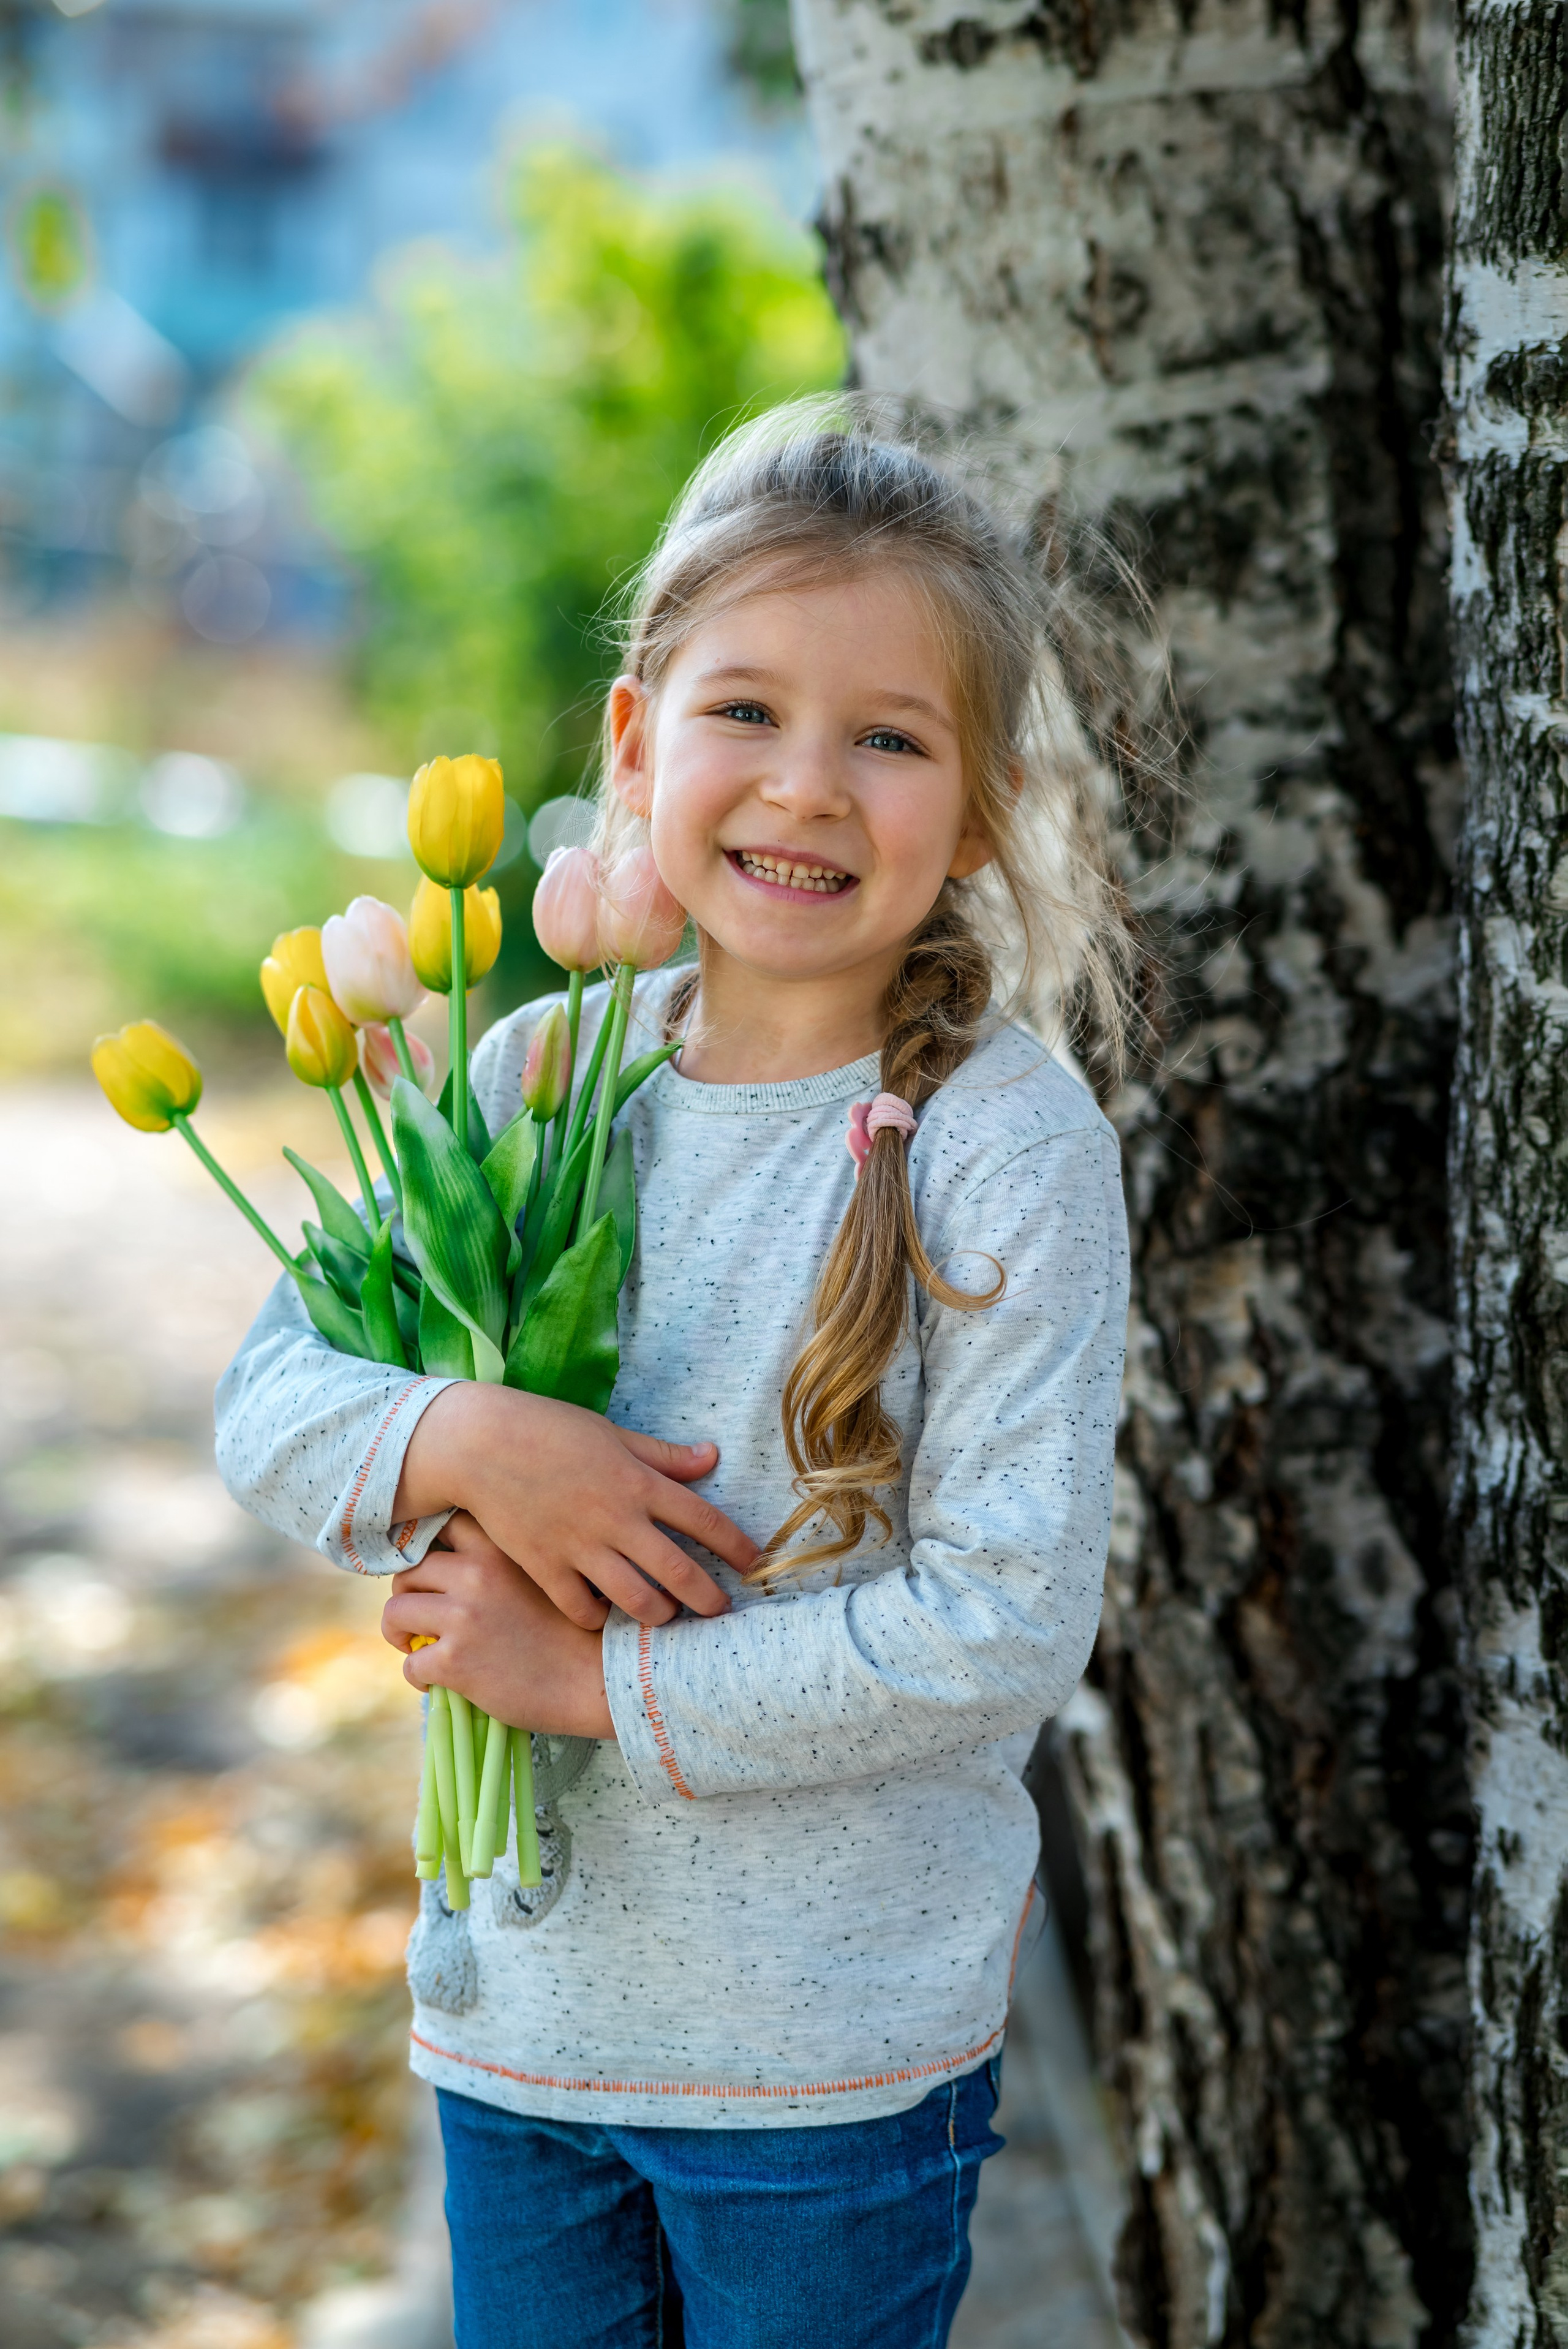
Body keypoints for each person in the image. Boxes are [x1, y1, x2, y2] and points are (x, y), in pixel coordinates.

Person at [216, 403, 1140, 2349]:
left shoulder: (1000, 1134)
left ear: (978, 808)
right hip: (520, 2029)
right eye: (748, 713)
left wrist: (586, 1681)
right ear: (636, 746)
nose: (808, 788)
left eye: (889, 737)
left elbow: (998, 1622)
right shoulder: (530, 1077)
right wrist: (464, 1435)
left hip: (834, 2069)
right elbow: (268, 1397)